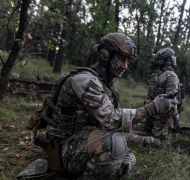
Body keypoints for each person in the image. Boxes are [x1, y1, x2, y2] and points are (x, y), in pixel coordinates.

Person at [20, 33, 177, 180]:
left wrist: (127, 153)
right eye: (122, 59)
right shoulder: (85, 81)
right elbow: (110, 120)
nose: (125, 66)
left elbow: (108, 122)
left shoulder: (102, 83)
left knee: (126, 152)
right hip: (62, 150)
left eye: (128, 61)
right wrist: (152, 108)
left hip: (77, 144)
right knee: (114, 145)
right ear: (105, 55)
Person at [125, 48, 182, 148]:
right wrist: (177, 122)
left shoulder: (156, 75)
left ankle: (127, 129)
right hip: (161, 120)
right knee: (163, 144)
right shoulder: (171, 76)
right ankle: (129, 137)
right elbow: (172, 102)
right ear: (170, 60)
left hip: (151, 116)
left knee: (145, 130)